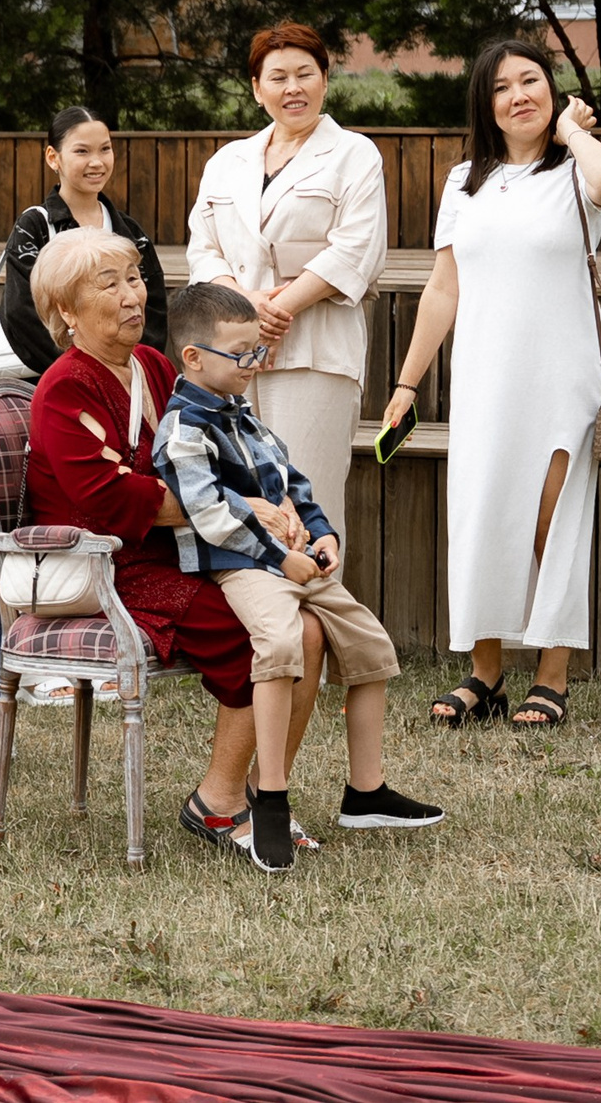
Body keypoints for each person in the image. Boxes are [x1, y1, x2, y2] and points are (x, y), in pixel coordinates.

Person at [21, 227, 324, 863]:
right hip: (107, 561)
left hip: (185, 545)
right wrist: (240, 508)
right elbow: (109, 497)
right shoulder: (65, 387)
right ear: (67, 311)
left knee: (310, 628)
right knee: (261, 638)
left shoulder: (156, 366)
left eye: (134, 278)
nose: (133, 295)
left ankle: (259, 794)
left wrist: (281, 509)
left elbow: (221, 456)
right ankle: (220, 805)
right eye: (109, 285)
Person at [384, 39, 601, 732]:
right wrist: (407, 384)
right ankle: (486, 673)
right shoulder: (465, 180)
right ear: (484, 104)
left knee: (551, 523)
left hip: (560, 378)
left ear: (553, 90)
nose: (518, 95)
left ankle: (552, 677)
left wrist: (571, 132)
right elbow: (443, 287)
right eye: (501, 87)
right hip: (484, 380)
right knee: (483, 515)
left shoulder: (577, 171)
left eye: (531, 81)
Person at [153, 280, 443, 873]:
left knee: (370, 645)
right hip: (240, 568)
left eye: (257, 351)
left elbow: (292, 480)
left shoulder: (244, 415)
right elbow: (209, 516)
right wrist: (280, 557)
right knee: (281, 645)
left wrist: (321, 530)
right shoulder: (183, 431)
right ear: (194, 357)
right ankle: (270, 797)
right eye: (243, 354)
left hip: (289, 558)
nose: (254, 364)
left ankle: (366, 792)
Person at [185, 25, 388, 538]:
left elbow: (354, 251)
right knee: (240, 504)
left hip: (314, 354)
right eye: (278, 77)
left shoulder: (355, 154)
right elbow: (202, 248)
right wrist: (245, 307)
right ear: (257, 89)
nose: (292, 88)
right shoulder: (227, 161)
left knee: (308, 505)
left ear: (325, 80)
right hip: (231, 357)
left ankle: (318, 593)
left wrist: (275, 312)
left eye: (304, 74)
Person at [0, 106, 169, 374]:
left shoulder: (130, 231)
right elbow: (23, 314)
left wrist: (130, 369)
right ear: (53, 157)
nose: (97, 162)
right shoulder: (35, 227)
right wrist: (84, 370)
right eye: (82, 151)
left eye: (105, 149)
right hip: (60, 377)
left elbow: (154, 309)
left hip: (129, 379)